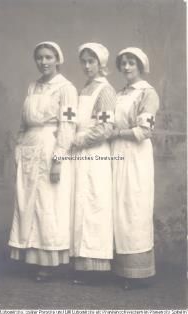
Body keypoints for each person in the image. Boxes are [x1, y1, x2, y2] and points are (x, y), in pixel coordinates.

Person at [8, 41, 78, 282]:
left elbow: (68, 125)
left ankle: (48, 262)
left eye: (49, 57)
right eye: (39, 58)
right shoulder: (32, 86)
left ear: (58, 59)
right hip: (29, 148)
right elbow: (23, 123)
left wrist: (58, 159)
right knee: (27, 202)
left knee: (48, 204)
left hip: (50, 148)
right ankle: (31, 257)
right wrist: (19, 148)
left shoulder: (66, 88)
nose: (44, 62)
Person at [111, 47, 159, 290]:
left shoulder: (147, 93)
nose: (127, 67)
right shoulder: (119, 94)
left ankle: (136, 272)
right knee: (117, 207)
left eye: (132, 63)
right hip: (116, 152)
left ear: (141, 66)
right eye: (124, 63)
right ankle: (119, 269)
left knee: (134, 207)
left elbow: (144, 131)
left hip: (136, 155)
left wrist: (116, 133)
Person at [71, 43, 116, 284]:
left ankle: (96, 268)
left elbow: (106, 128)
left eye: (92, 61)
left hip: (96, 154)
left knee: (95, 205)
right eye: (84, 61)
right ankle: (82, 264)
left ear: (101, 64)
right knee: (81, 205)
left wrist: (80, 139)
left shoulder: (106, 91)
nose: (87, 66)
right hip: (80, 155)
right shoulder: (84, 88)